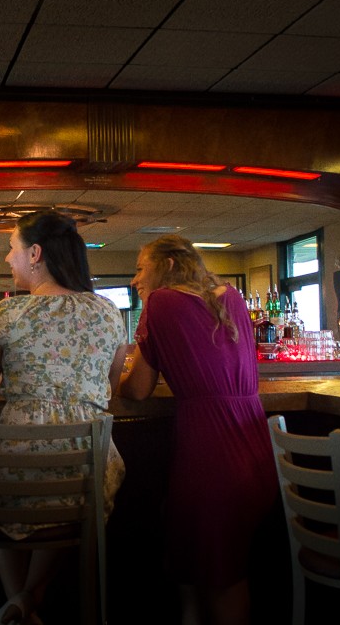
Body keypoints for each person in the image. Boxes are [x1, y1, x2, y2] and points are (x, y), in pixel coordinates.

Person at [0, 209, 128, 625]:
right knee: (66, 490)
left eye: (11, 249)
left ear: (35, 253)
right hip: (85, 468)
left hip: (15, 467)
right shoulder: (108, 312)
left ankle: (19, 602)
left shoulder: (7, 314)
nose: (7, 259)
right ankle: (25, 604)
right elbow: (108, 388)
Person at [117, 235, 277, 625]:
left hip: (210, 447)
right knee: (208, 561)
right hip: (253, 439)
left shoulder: (160, 303)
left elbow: (137, 390)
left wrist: (114, 375)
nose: (136, 279)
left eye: (141, 268)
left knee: (218, 572)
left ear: (168, 265)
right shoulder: (234, 296)